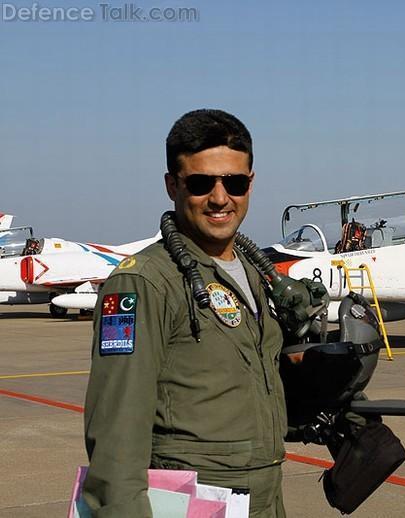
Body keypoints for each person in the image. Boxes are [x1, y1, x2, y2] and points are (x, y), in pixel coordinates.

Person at [82, 109, 288, 517]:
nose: (219, 198)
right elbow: (116, 434)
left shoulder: (249, 271)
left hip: (262, 495)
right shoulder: (144, 283)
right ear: (171, 185)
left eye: (234, 182)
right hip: (191, 501)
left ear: (250, 182)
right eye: (199, 183)